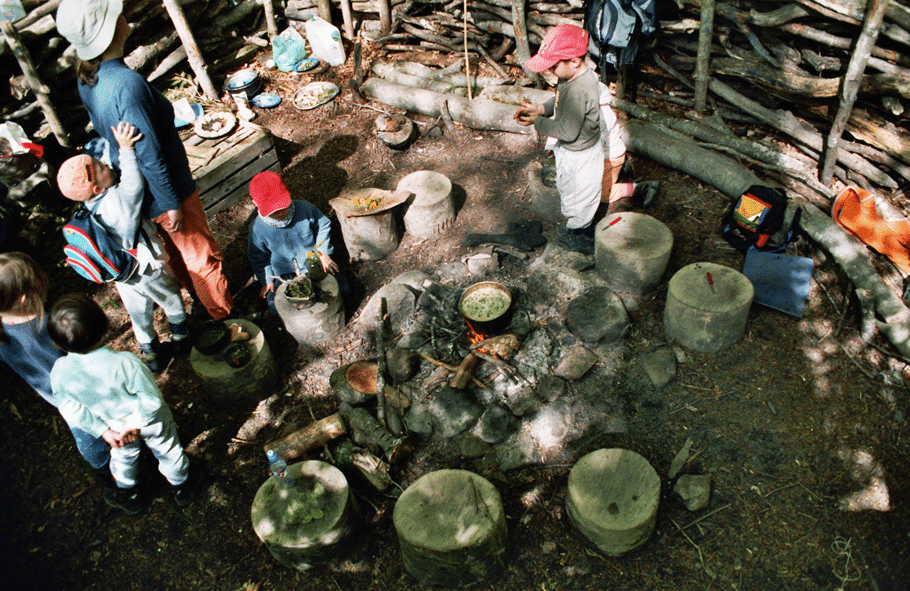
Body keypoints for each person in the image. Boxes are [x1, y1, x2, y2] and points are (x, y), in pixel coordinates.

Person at [55, 0, 234, 320]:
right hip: (166, 188)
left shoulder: (87, 77)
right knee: (199, 255)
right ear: (109, 31)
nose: (124, 15)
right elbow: (150, 154)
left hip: (136, 185)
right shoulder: (126, 84)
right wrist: (170, 202)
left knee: (174, 253)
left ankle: (199, 299)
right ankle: (223, 315)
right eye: (117, 13)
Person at [47, 293, 198, 515]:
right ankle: (182, 484)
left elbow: (70, 408)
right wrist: (135, 423)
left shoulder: (60, 371)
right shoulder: (125, 363)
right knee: (166, 448)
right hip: (148, 421)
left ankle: (127, 492)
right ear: (103, 326)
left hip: (115, 427)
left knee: (123, 456)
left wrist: (103, 431)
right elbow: (151, 400)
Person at [56, 122, 189, 373]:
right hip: (146, 267)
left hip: (123, 274)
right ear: (97, 188)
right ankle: (182, 340)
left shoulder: (89, 207)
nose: (108, 165)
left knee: (139, 315)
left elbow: (108, 176)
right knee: (170, 298)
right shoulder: (116, 204)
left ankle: (152, 355)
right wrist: (126, 150)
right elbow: (133, 185)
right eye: (103, 167)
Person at [0, 252, 111, 477]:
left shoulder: (3, 331)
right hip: (81, 391)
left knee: (82, 427)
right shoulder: (50, 326)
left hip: (53, 395)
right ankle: (106, 469)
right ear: (24, 297)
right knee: (91, 432)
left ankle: (103, 464)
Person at [514, 24, 605, 255]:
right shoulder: (570, 77)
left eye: (554, 65)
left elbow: (567, 132)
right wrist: (541, 109)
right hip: (573, 149)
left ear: (574, 60)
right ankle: (579, 225)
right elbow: (557, 99)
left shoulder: (580, 88)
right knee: (572, 189)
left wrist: (537, 122)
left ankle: (578, 233)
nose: (551, 70)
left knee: (581, 196)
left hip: (581, 153)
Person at [246, 171, 342, 315]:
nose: (280, 214)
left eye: (282, 207)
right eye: (273, 212)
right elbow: (258, 257)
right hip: (284, 273)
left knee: (342, 288)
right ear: (256, 205)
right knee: (274, 306)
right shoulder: (257, 228)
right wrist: (266, 279)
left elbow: (323, 225)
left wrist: (323, 252)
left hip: (312, 263)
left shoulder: (304, 208)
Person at [597, 81, 659, 208]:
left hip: (609, 157)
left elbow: (594, 146)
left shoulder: (602, 115)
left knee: (600, 195)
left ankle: (641, 187)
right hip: (600, 156)